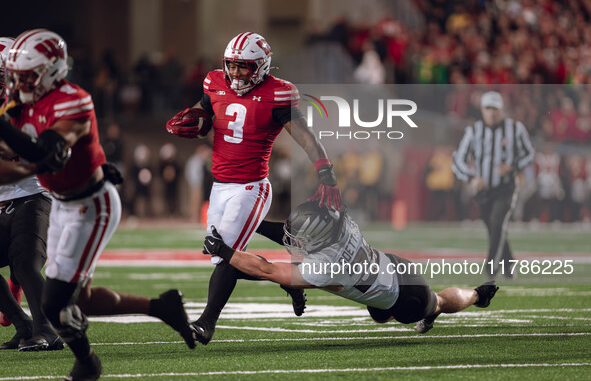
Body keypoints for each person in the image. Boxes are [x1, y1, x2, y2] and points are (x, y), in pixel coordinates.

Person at [0, 29, 194, 380]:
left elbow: (46, 153)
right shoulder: (22, 102)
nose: (18, 83)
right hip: (60, 202)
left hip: (90, 206)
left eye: (26, 75)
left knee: (55, 303)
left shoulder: (72, 98)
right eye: (15, 76)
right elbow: (12, 154)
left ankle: (88, 365)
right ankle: (163, 307)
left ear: (52, 71)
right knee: (81, 301)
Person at [166, 32, 342, 345]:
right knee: (224, 257)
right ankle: (289, 279)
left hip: (251, 187)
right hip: (220, 186)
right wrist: (193, 124)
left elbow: (305, 136)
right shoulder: (214, 82)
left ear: (261, 67)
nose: (235, 73)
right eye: (231, 65)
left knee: (224, 255)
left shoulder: (279, 94)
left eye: (243, 67)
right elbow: (203, 114)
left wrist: (324, 171)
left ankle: (206, 323)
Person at [202, 200, 499, 334]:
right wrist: (250, 225)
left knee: (438, 303)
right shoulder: (337, 222)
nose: (293, 240)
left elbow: (267, 270)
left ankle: (476, 294)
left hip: (408, 295)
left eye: (300, 238)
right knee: (380, 317)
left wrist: (224, 250)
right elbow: (296, 235)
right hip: (389, 266)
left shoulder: (326, 266)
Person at [0, 36, 63, 352]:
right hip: (2, 198)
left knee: (25, 263)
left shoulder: (37, 103)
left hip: (33, 193)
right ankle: (24, 325)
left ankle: (47, 330)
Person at [452, 91, 535, 278]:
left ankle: (491, 269)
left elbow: (529, 153)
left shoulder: (515, 129)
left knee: (498, 223)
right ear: (482, 110)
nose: (492, 113)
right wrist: (471, 177)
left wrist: (513, 167)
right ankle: (509, 263)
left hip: (506, 187)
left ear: (502, 110)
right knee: (493, 227)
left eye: (495, 109)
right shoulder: (473, 131)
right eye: (488, 108)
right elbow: (458, 159)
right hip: (482, 190)